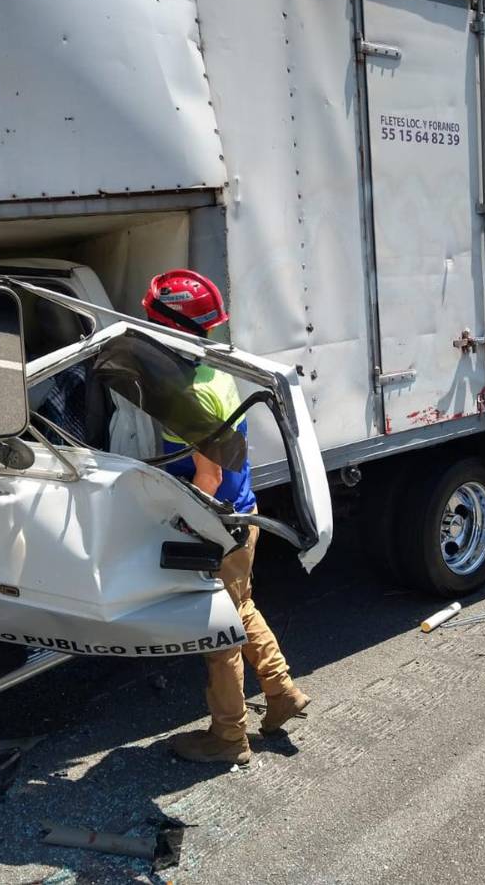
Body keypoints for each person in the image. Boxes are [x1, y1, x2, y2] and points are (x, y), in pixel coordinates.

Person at [142, 269, 311, 765]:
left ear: (168, 323)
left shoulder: (187, 392)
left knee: (218, 634)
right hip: (244, 514)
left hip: (220, 521)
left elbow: (208, 476)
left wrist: (187, 529)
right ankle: (281, 694)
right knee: (241, 608)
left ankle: (228, 737)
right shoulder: (212, 367)